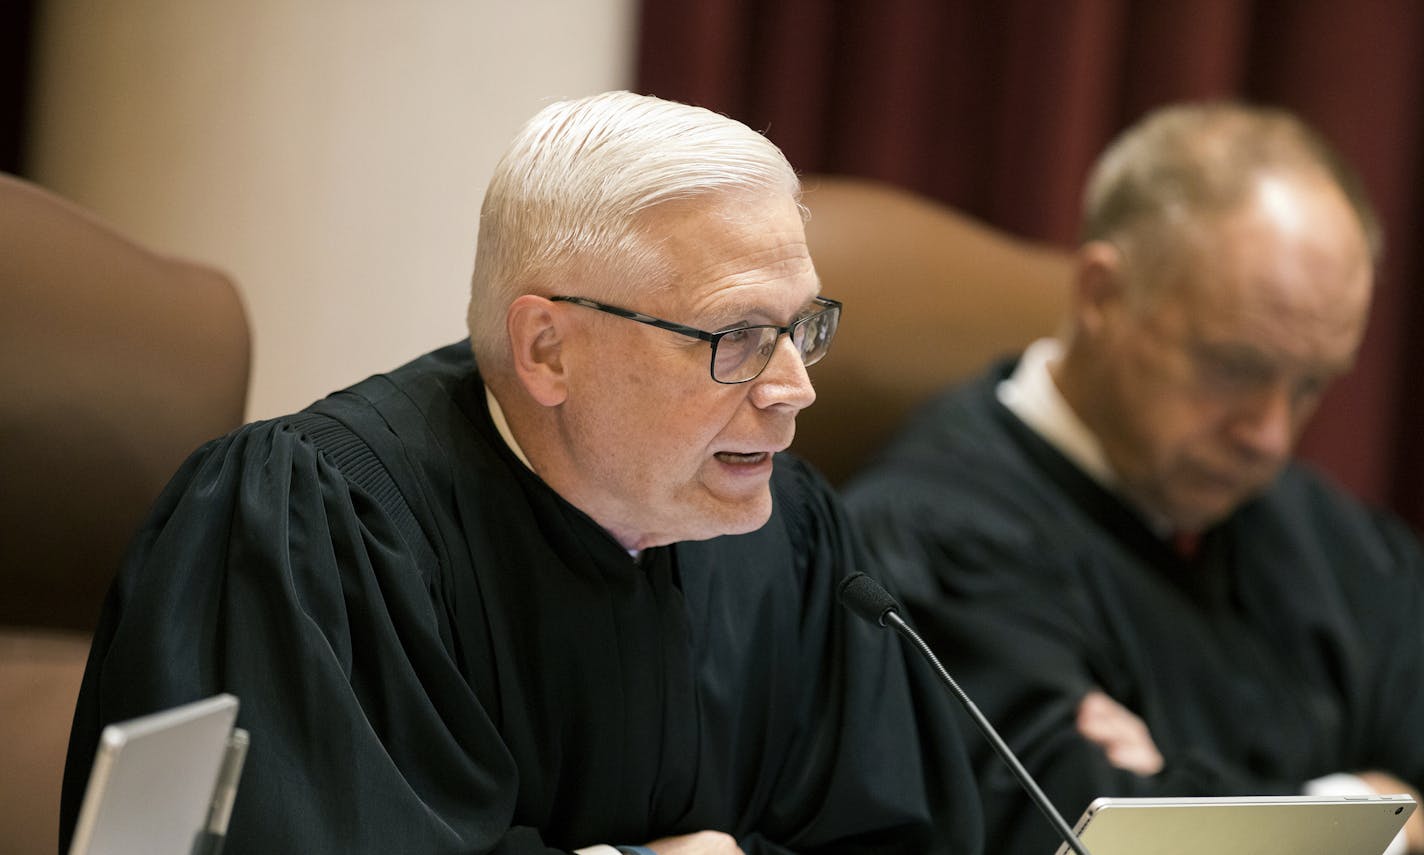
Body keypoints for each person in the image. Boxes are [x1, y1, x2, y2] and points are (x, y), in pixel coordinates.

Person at [59, 91, 983, 854]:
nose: (794, 390)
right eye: (737, 336)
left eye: (802, 328)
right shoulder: (312, 530)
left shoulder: (797, 541)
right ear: (548, 348)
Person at [844, 101, 1424, 855]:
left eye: (1310, 383)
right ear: (1101, 295)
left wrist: (1185, 803)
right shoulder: (932, 537)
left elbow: (1155, 827)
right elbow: (1080, 834)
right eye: (1234, 368)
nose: (1271, 434)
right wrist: (1372, 808)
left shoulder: (1333, 536)